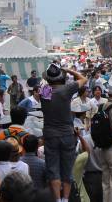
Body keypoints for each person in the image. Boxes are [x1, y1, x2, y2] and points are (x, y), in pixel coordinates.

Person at [40, 63, 87, 202]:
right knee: (67, 168)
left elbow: (46, 83)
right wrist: (68, 70)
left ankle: (57, 199)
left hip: (50, 134)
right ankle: (65, 199)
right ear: (61, 77)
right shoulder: (66, 89)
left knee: (53, 169)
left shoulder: (45, 91)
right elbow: (83, 79)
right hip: (67, 133)